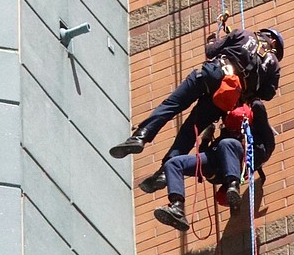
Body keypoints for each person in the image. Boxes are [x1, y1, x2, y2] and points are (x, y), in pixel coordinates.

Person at [109, 22, 284, 159]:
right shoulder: (274, 65)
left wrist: (212, 41)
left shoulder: (243, 34)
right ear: (274, 43)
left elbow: (211, 51)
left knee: (173, 104)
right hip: (225, 96)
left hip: (213, 73)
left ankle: (140, 136)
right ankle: (164, 171)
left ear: (265, 35)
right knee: (191, 128)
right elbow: (268, 94)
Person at [154, 99, 276, 232]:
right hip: (219, 158)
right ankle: (178, 209)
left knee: (225, 144)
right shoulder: (252, 135)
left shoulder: (246, 145)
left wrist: (206, 139)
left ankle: (232, 185)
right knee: (173, 163)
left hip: (231, 158)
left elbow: (205, 154)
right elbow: (259, 113)